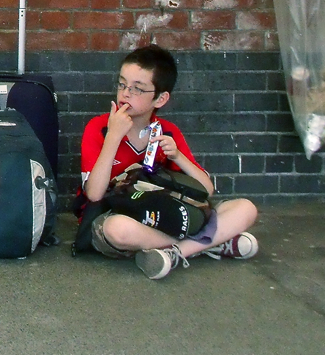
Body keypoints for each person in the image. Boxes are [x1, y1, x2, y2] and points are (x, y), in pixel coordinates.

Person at [76, 44, 260, 280]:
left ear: (160, 98)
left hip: (163, 215)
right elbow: (94, 194)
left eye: (137, 88)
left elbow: (206, 190)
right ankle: (209, 244)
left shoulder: (167, 131)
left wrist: (177, 156)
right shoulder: (99, 128)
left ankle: (175, 252)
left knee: (245, 208)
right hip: (116, 216)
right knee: (117, 230)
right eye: (122, 84)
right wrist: (113, 137)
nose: (125, 93)